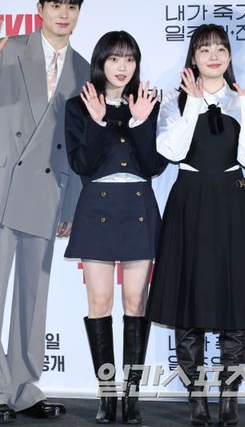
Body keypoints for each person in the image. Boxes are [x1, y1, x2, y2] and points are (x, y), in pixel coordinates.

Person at [0, 0, 89, 424]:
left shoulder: (84, 69)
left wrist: (70, 206)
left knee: (34, 296)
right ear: (40, 8)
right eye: (56, 5)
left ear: (79, 12)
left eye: (71, 6)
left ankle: (24, 389)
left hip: (47, 192)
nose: (63, 14)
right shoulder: (9, 49)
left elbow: (78, 145)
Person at [146, 24, 245, 427]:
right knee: (187, 302)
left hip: (232, 202)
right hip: (190, 202)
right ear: (193, 56)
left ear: (229, 56)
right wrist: (192, 104)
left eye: (221, 48)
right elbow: (170, 150)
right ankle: (196, 399)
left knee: (234, 304)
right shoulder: (173, 100)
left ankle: (229, 399)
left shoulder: (243, 99)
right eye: (205, 49)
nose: (213, 55)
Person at [64, 30, 166, 425]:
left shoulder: (148, 103)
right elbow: (82, 165)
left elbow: (154, 166)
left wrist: (140, 121)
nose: (122, 67)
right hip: (97, 210)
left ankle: (132, 396)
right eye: (114, 58)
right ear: (101, 62)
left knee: (136, 302)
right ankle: (107, 394)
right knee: (100, 302)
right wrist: (96, 121)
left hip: (138, 206)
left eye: (129, 59)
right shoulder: (79, 106)